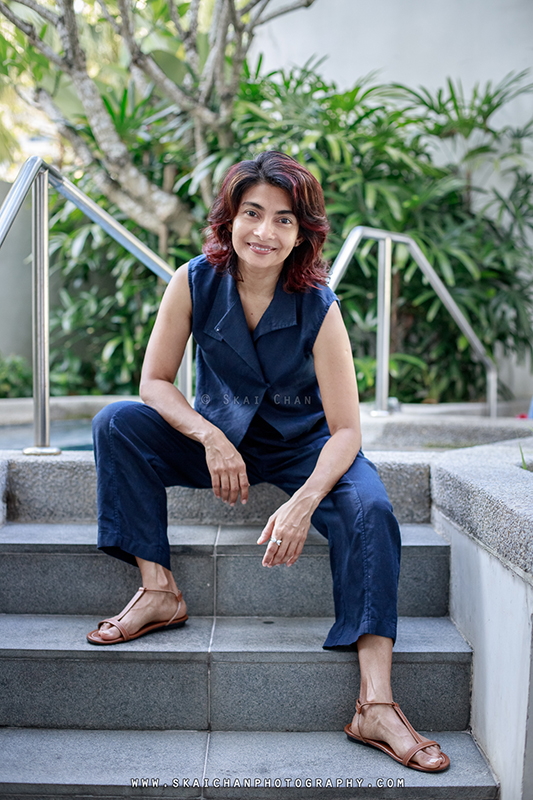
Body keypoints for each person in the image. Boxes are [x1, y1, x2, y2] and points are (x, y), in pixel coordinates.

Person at [87, 151, 449, 773]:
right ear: (229, 218)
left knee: (371, 509)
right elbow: (154, 383)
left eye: (284, 220)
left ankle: (375, 703)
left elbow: (347, 430)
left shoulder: (319, 305)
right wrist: (210, 437)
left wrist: (304, 500)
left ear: (302, 233)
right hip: (221, 437)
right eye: (252, 213)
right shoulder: (193, 281)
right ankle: (159, 590)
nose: (264, 232)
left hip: (304, 446)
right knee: (116, 422)